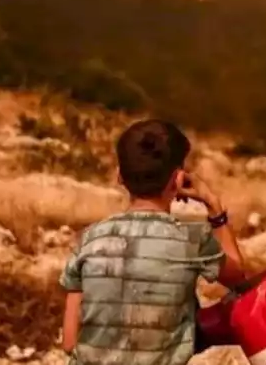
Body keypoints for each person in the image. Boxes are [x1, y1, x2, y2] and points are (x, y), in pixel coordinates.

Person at [59, 119, 246, 364]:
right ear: (178, 179)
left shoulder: (90, 239)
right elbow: (238, 278)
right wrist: (214, 207)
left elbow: (69, 342)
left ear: (119, 176)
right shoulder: (191, 239)